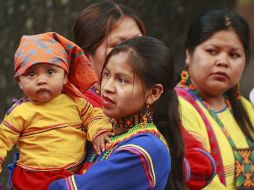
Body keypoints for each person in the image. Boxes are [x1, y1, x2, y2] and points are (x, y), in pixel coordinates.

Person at [73, 1, 216, 189]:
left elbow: (204, 165)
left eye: (139, 42)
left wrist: (149, 166)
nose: (131, 52)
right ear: (86, 57)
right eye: (119, 45)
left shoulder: (150, 106)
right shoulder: (71, 105)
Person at [49, 36, 187, 189]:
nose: (107, 87)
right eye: (107, 74)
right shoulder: (103, 129)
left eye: (122, 80)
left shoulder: (145, 149)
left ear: (153, 93)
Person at [0, 32, 113, 189]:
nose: (41, 80)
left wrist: (99, 131)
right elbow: (2, 141)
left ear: (65, 76)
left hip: (72, 177)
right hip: (32, 181)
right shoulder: (19, 113)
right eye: (31, 74)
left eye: (50, 72)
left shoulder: (76, 101)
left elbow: (94, 115)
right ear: (19, 81)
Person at [176, 9, 254, 189]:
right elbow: (201, 181)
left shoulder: (246, 108)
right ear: (189, 54)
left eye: (234, 55)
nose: (223, 61)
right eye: (212, 51)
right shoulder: (177, 107)